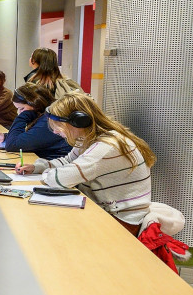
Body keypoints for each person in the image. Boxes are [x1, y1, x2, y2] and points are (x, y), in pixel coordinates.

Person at [16, 93, 155, 232]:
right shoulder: (88, 138)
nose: (55, 131)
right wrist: (37, 167)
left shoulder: (106, 147)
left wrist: (47, 174)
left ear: (79, 122)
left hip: (123, 221)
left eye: (58, 125)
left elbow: (61, 178)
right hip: (109, 211)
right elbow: (68, 161)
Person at [0, 83, 71, 159]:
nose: (19, 113)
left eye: (22, 108)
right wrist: (6, 137)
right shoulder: (46, 115)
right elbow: (33, 136)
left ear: (36, 104)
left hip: (54, 166)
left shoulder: (49, 121)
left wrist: (23, 116)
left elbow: (12, 146)